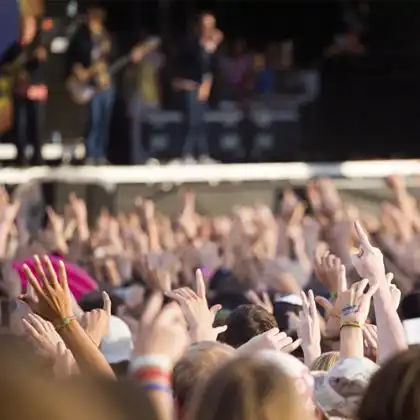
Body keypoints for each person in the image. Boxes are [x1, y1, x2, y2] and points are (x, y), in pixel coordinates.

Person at [66, 6, 115, 165]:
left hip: (104, 83)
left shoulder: (106, 37)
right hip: (89, 85)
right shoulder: (81, 37)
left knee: (104, 121)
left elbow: (111, 58)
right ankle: (91, 154)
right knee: (93, 120)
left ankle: (101, 154)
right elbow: (72, 59)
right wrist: (80, 71)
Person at [174, 12, 223, 163]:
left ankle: (203, 154)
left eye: (211, 27)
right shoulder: (191, 43)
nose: (207, 30)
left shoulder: (212, 48)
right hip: (190, 86)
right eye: (205, 26)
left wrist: (207, 85)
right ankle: (187, 153)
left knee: (201, 121)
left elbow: (211, 68)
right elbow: (190, 62)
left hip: (204, 87)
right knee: (191, 120)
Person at [1, 16, 48, 166]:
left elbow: (44, 69)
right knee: (20, 126)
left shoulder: (38, 46)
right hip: (20, 91)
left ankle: (37, 156)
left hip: (35, 90)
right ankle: (21, 157)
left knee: (36, 125)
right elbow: (6, 66)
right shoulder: (14, 48)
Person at [124, 30, 163, 164]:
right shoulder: (134, 58)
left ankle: (148, 156)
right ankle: (137, 158)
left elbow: (159, 64)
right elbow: (128, 76)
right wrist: (134, 60)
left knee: (149, 128)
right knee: (136, 130)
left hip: (151, 96)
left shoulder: (155, 57)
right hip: (137, 96)